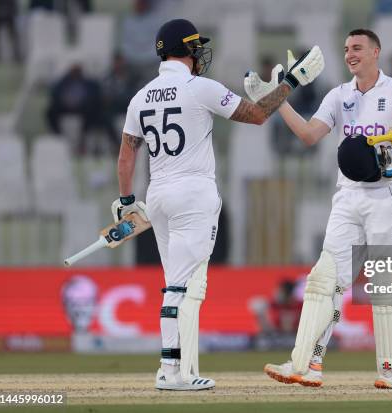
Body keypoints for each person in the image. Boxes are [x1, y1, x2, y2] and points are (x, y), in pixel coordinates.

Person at [112, 18, 324, 391]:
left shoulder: (140, 96)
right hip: (193, 195)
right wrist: (291, 82)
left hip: (158, 194)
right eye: (195, 46)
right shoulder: (200, 87)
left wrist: (127, 200)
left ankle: (171, 368)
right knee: (178, 287)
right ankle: (170, 372)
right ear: (186, 49)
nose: (199, 53)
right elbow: (257, 115)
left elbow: (127, 154)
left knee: (173, 284)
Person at [245, 29, 392, 389]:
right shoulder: (339, 95)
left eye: (358, 48)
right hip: (348, 196)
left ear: (375, 52)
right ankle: (305, 364)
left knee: (384, 283)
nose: (350, 53)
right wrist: (278, 101)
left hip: (388, 195)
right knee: (324, 279)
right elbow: (308, 135)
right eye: (346, 48)